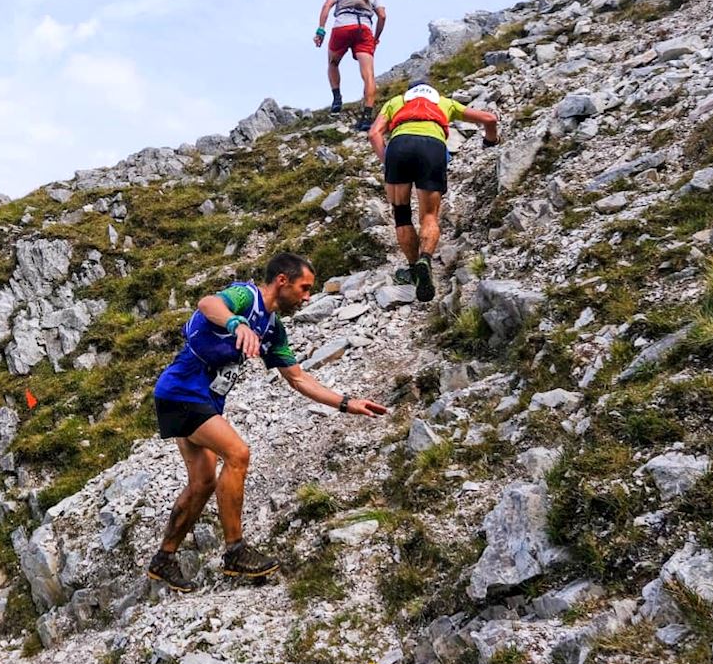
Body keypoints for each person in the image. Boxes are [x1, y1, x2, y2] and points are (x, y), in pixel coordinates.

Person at [146, 253, 389, 592]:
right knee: (238, 454)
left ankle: (164, 559)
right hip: (181, 392)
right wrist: (236, 323)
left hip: (204, 400)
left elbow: (299, 379)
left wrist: (347, 403)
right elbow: (207, 303)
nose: (307, 298)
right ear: (282, 281)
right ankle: (235, 552)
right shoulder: (246, 297)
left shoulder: (273, 328)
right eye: (304, 289)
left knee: (202, 482)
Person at [367, 77, 499, 302]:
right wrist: (490, 140)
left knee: (401, 215)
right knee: (429, 215)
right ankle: (425, 260)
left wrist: (386, 161)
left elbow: (373, 134)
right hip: (432, 147)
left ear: (410, 92)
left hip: (400, 146)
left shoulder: (396, 101)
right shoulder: (443, 102)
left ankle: (412, 269)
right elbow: (489, 118)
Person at [314, 0, 387, 130]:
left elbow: (327, 6)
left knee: (333, 63)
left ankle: (337, 98)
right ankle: (367, 117)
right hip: (365, 29)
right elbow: (382, 15)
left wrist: (321, 29)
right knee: (368, 75)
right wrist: (376, 38)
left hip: (342, 26)